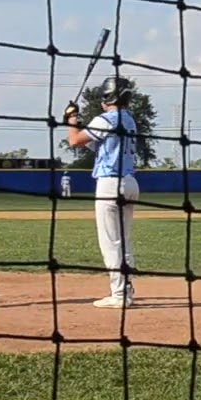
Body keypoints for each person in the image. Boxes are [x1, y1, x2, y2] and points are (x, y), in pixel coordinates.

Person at [64, 77, 139, 308]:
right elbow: (98, 145)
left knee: (111, 242)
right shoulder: (129, 120)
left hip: (109, 184)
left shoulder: (105, 119)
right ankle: (126, 290)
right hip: (130, 182)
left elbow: (75, 141)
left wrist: (71, 120)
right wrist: (78, 122)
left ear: (108, 96)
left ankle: (119, 295)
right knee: (124, 241)